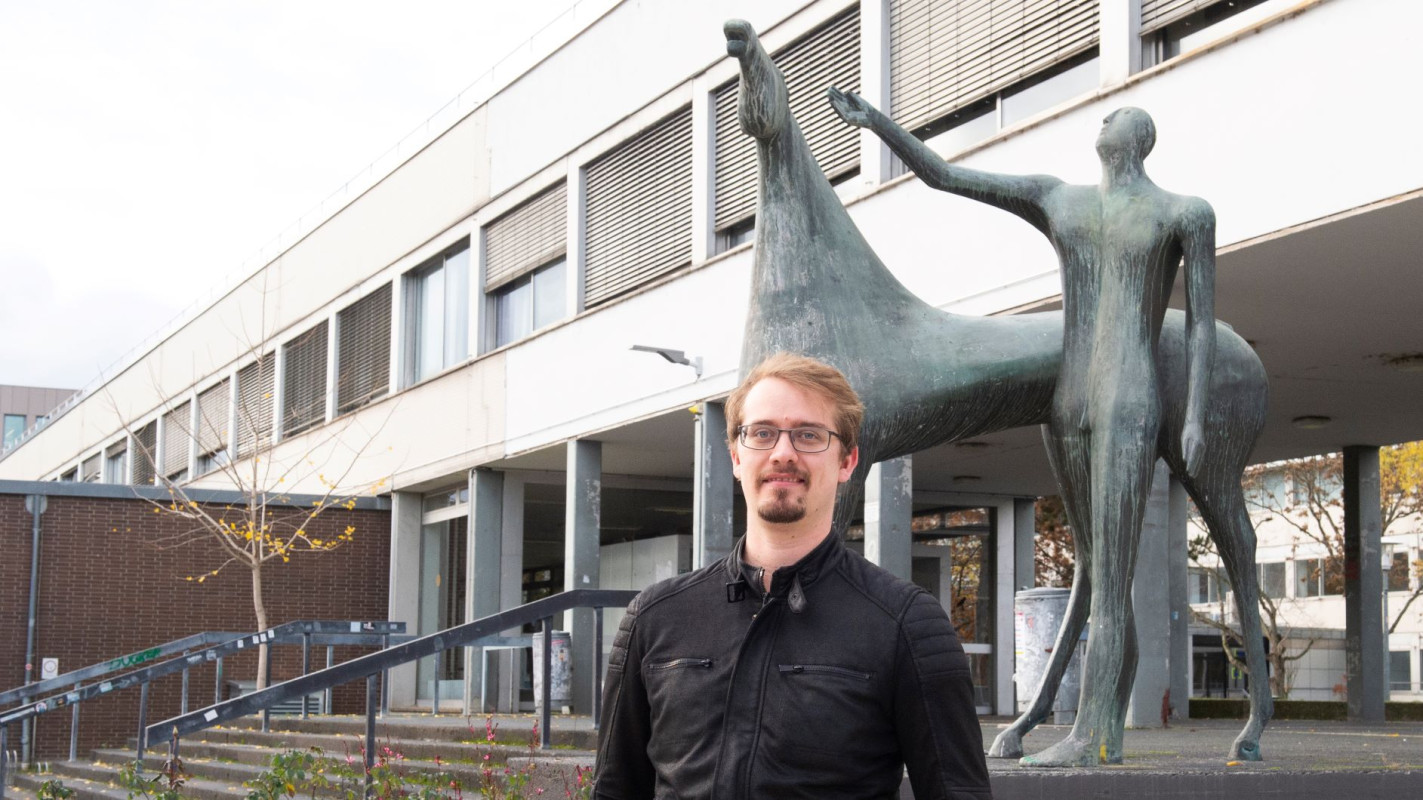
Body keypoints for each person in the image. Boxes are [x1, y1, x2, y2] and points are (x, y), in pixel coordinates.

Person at [828, 91, 1216, 766]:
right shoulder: (1056, 198)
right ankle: (1086, 727)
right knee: (1094, 568)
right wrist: (877, 124)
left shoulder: (1182, 213)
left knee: (1115, 574)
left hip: (1129, 399)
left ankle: (1094, 735)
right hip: (1069, 403)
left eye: (1113, 116)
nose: (1101, 120)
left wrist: (1197, 417)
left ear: (1139, 137)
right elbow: (945, 176)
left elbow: (1204, 321)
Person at [593, 352, 992, 798]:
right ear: (736, 457)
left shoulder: (907, 623)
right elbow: (614, 789)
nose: (783, 453)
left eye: (808, 435)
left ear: (847, 462)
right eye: (762, 433)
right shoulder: (654, 618)